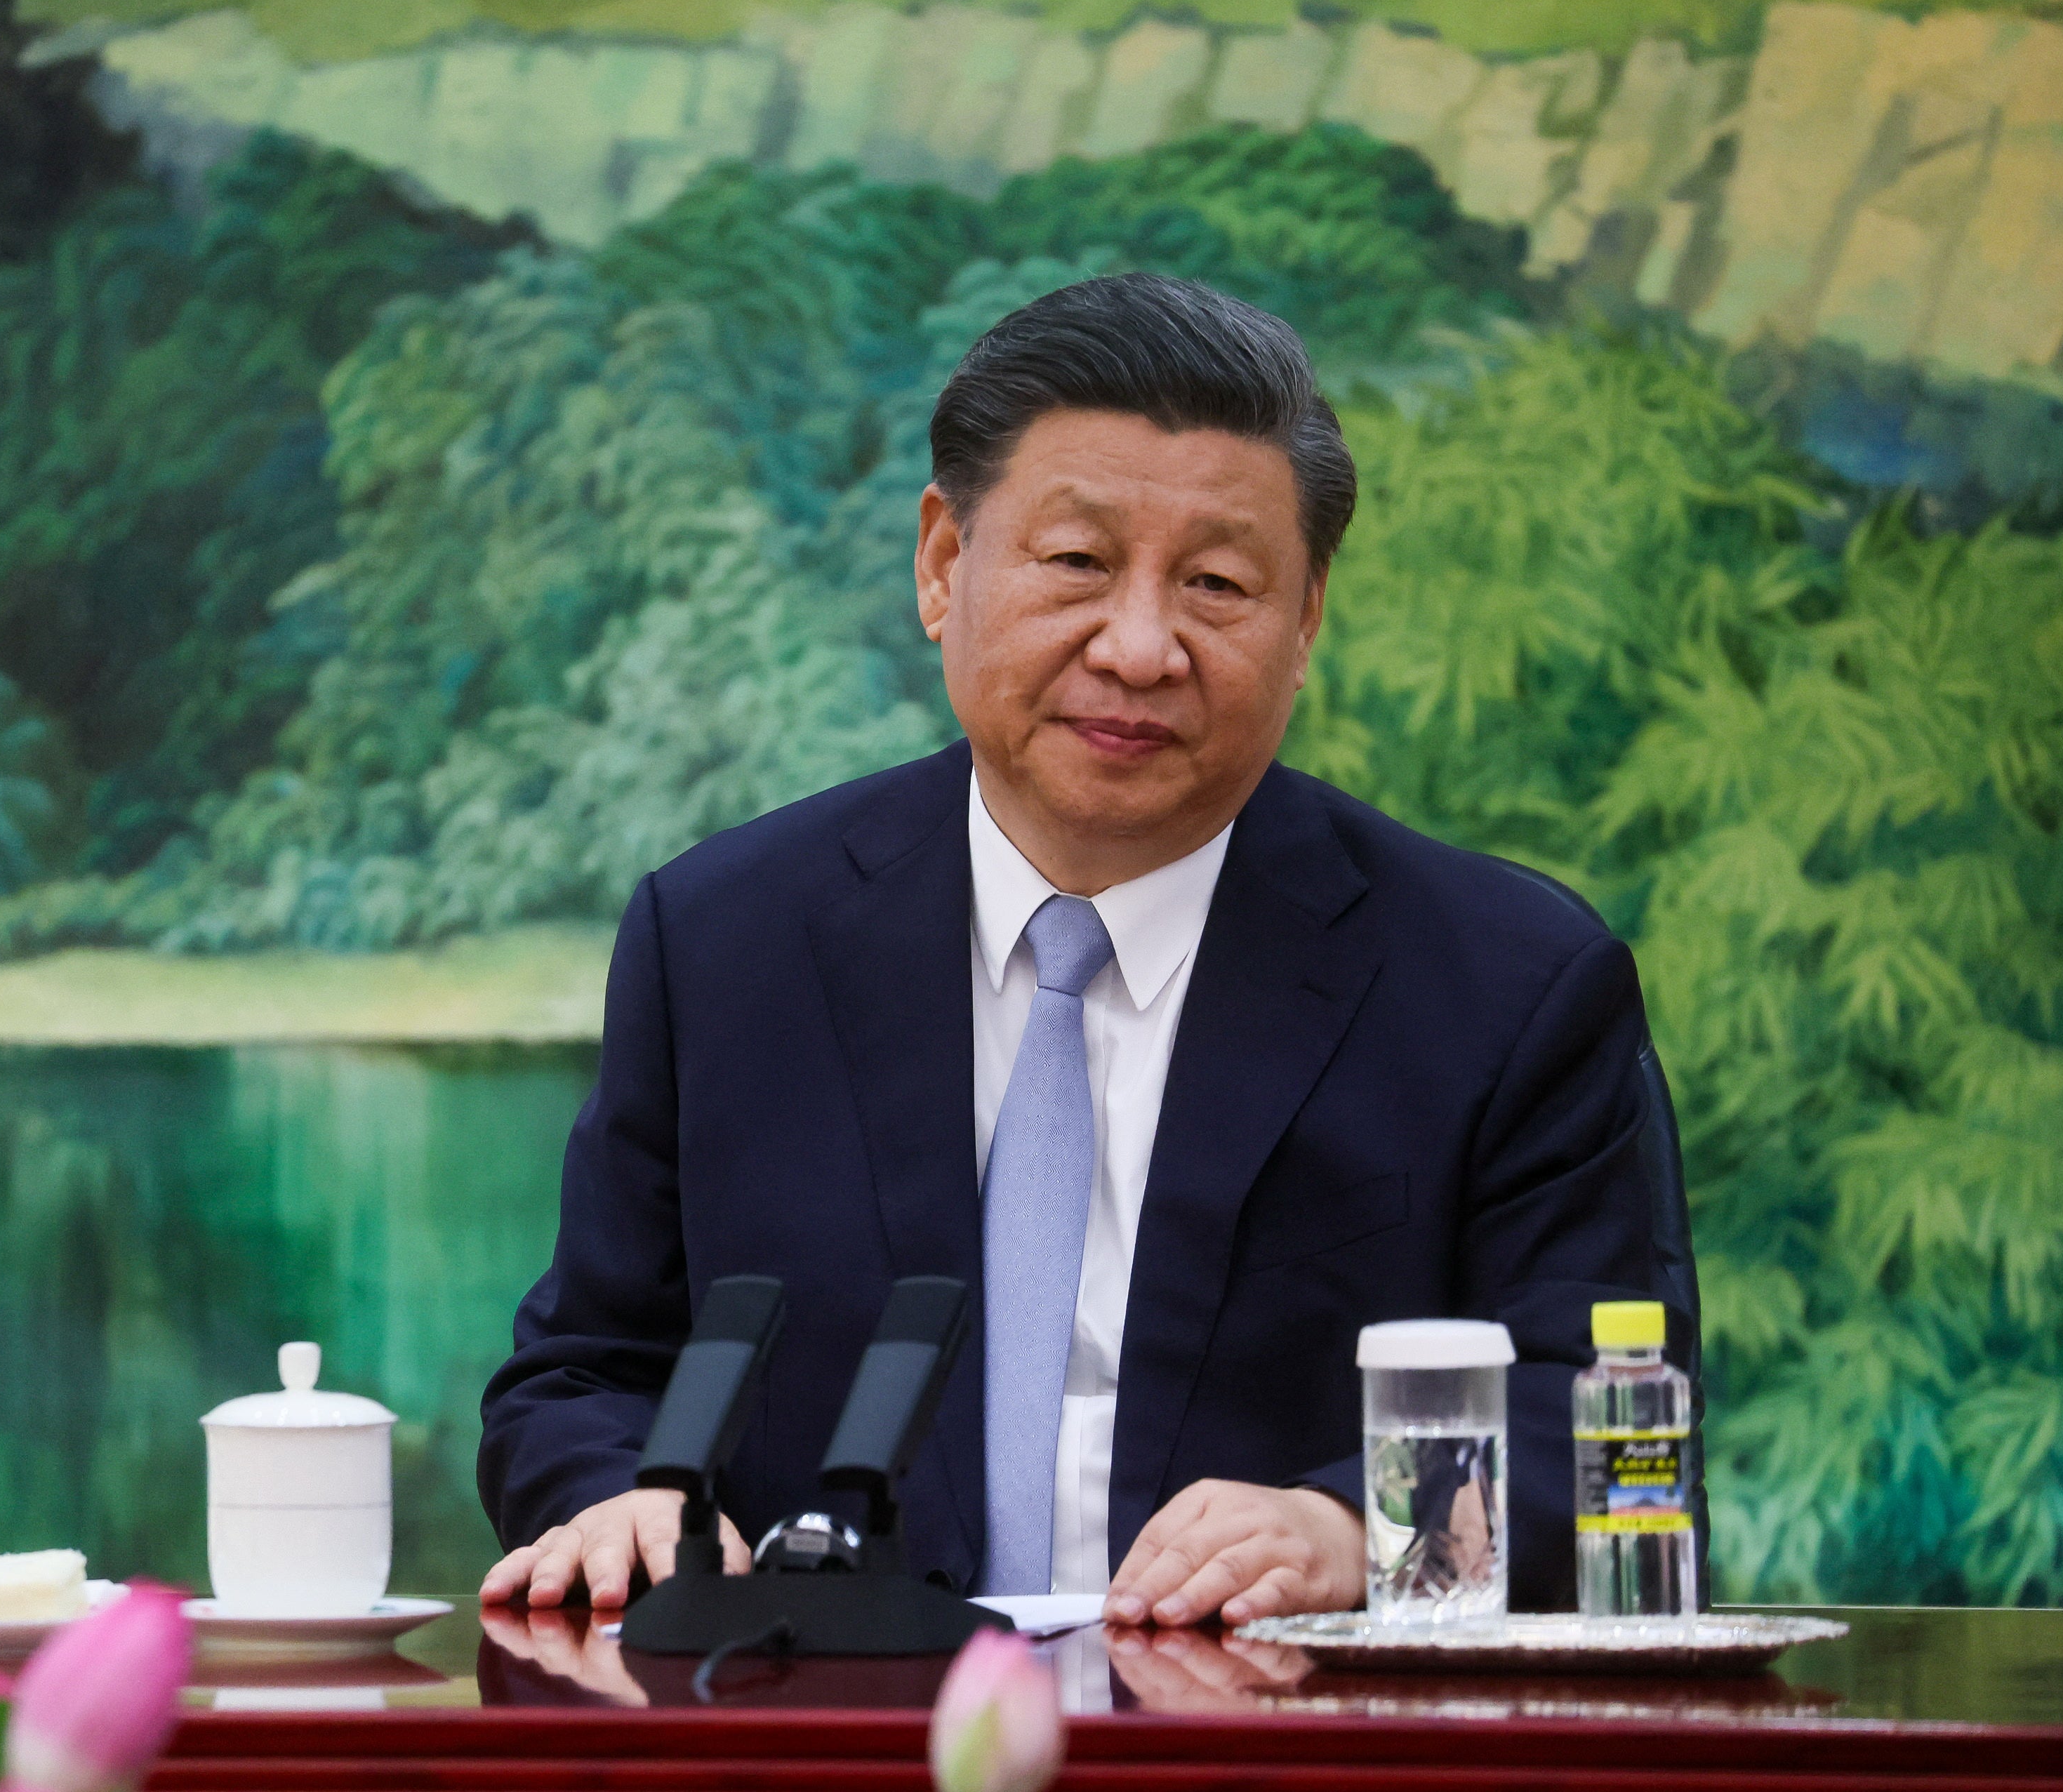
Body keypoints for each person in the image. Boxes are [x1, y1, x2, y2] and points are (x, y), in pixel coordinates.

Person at [477, 272, 1696, 1626]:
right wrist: (623, 1501)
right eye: (1077, 565)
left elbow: (1612, 1439)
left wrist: (1357, 1529)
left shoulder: (1505, 984)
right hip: (831, 1739)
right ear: (945, 565)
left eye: (1218, 584)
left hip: (1268, 1755)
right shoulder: (725, 942)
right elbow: (582, 1377)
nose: (1138, 646)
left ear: (1306, 620)